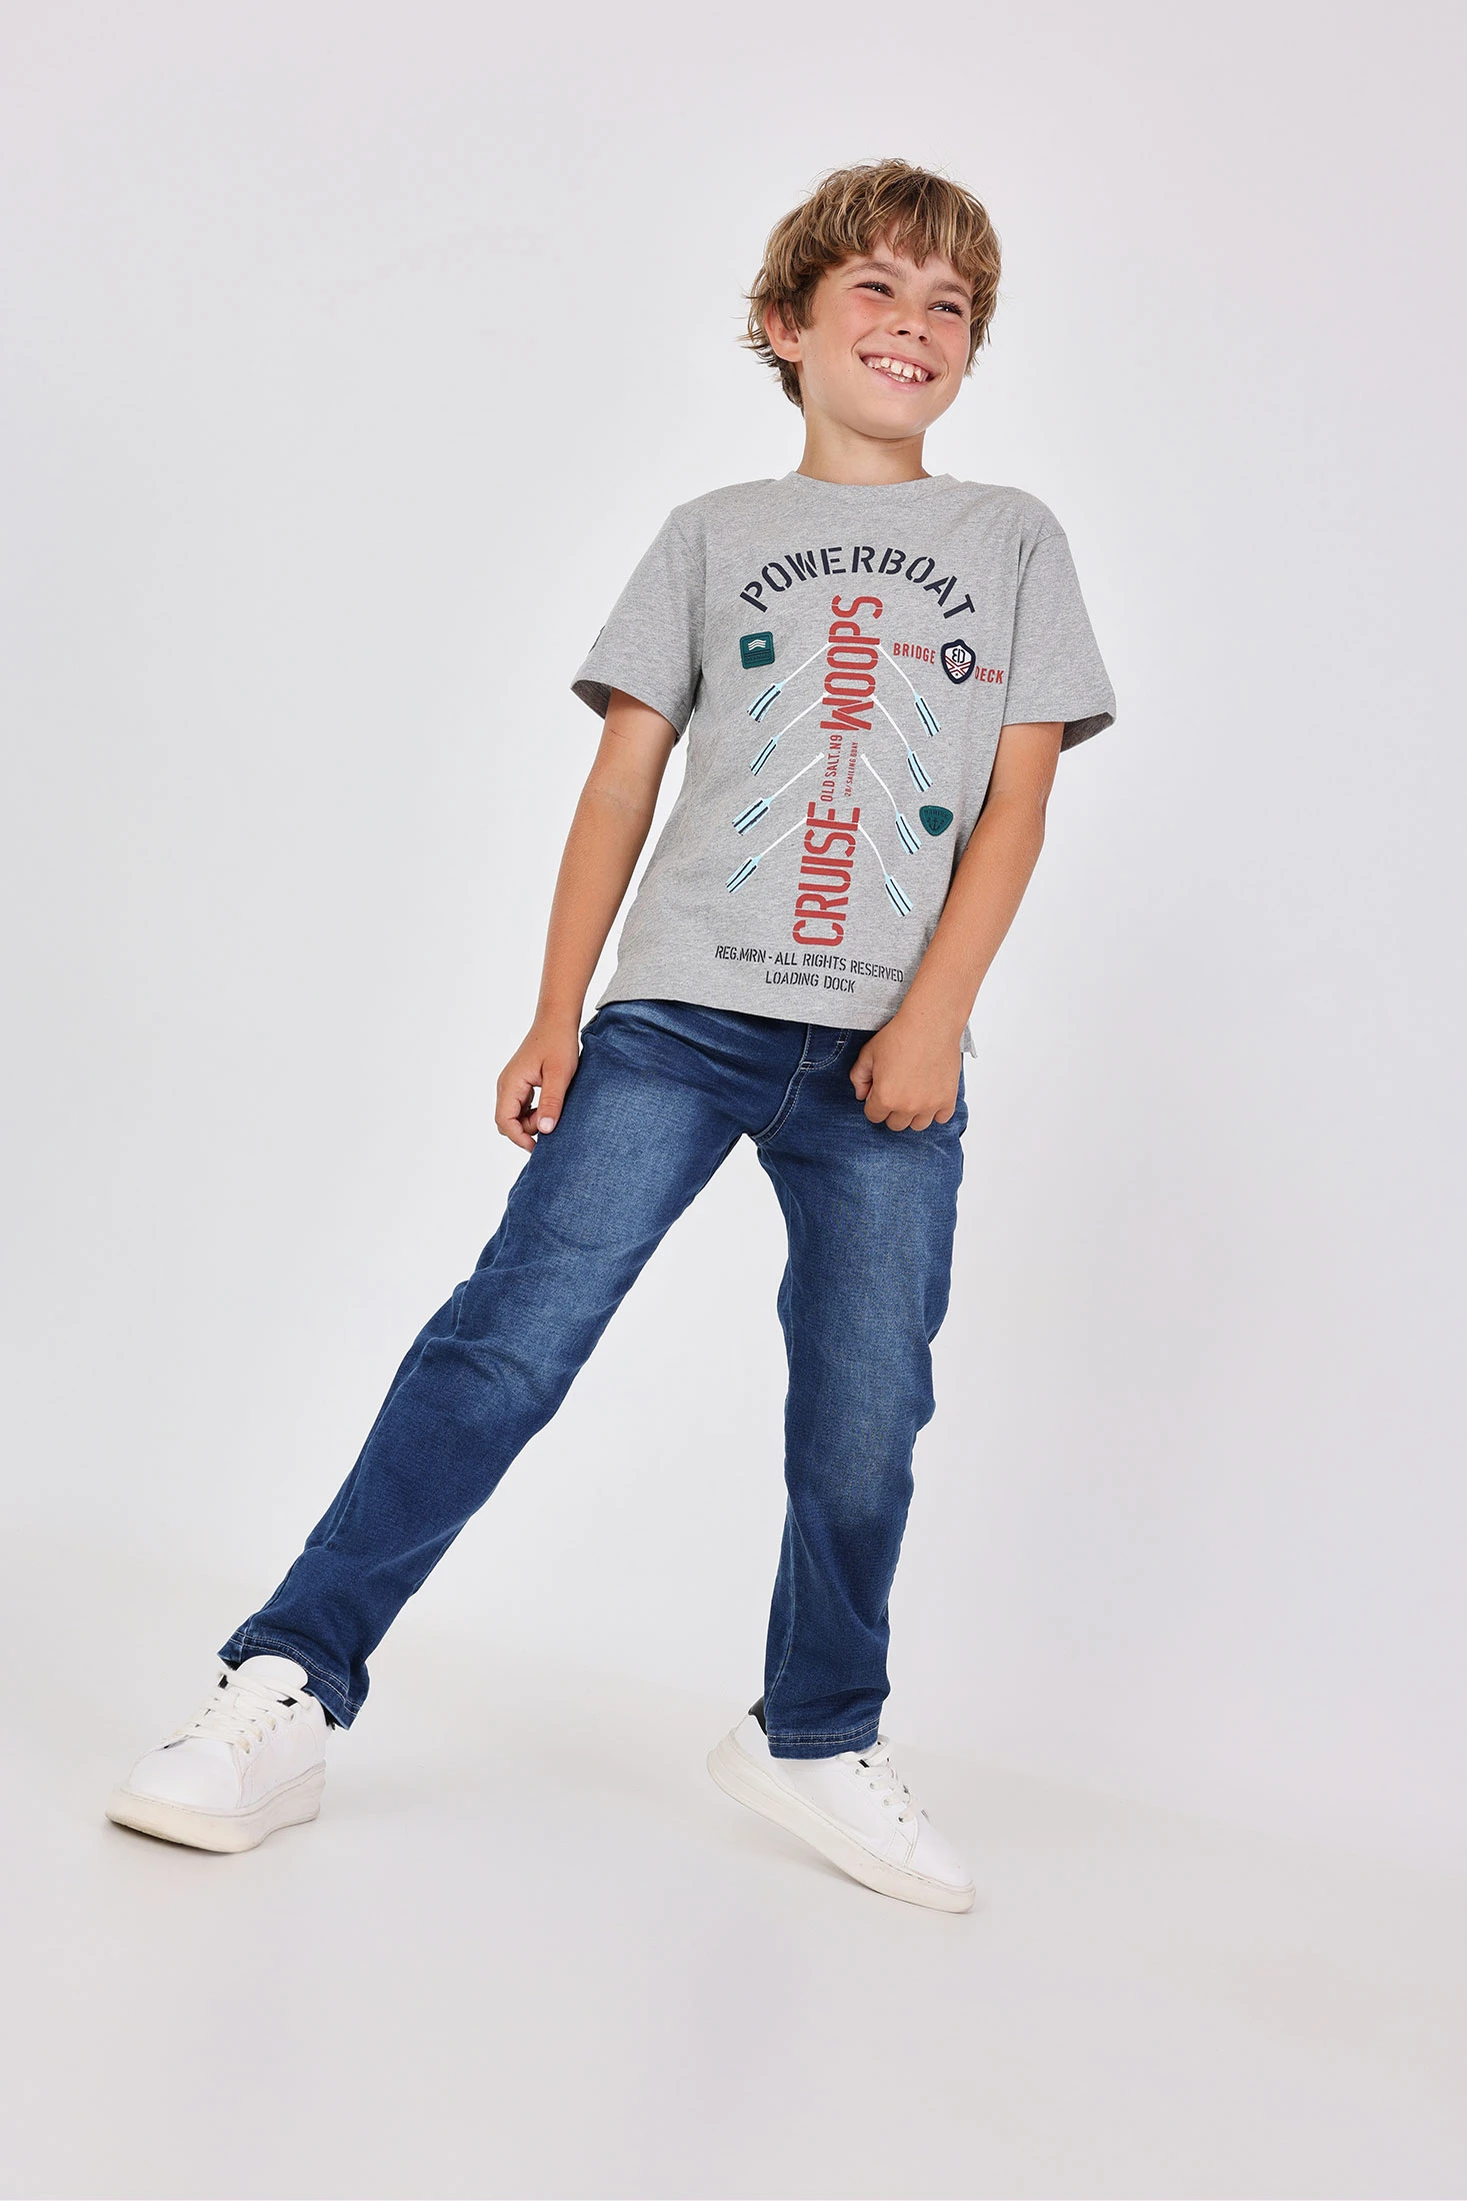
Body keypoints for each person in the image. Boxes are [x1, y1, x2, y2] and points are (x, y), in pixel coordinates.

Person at [106, 158, 1115, 1912]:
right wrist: (556, 1011)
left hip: (884, 1059)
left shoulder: (1013, 537)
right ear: (786, 325)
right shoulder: (709, 533)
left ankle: (813, 1733)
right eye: (874, 290)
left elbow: (1012, 808)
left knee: (868, 1406)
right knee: (506, 1344)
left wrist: (934, 1018)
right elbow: (619, 785)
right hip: (677, 1019)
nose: (913, 326)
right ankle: (286, 1680)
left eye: (948, 305)